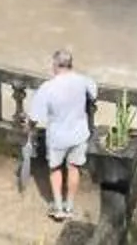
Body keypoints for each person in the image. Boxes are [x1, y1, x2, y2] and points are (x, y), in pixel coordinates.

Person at [24, 49, 99, 222]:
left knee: (55, 169)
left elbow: (35, 117)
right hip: (79, 134)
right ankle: (70, 206)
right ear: (71, 64)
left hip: (58, 137)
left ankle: (58, 207)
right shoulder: (83, 81)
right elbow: (94, 93)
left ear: (56, 65)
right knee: (74, 168)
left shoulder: (48, 87)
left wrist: (28, 127)